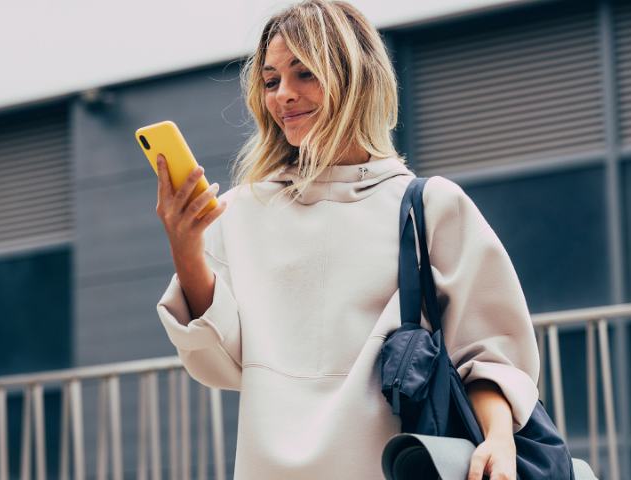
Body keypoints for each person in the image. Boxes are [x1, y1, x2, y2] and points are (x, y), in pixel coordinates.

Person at [154, 1, 540, 478]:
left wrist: (499, 439)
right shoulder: (240, 212)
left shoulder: (428, 206)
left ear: (355, 78)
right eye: (271, 81)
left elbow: (486, 353)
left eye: (305, 74)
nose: (284, 95)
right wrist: (185, 249)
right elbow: (219, 363)